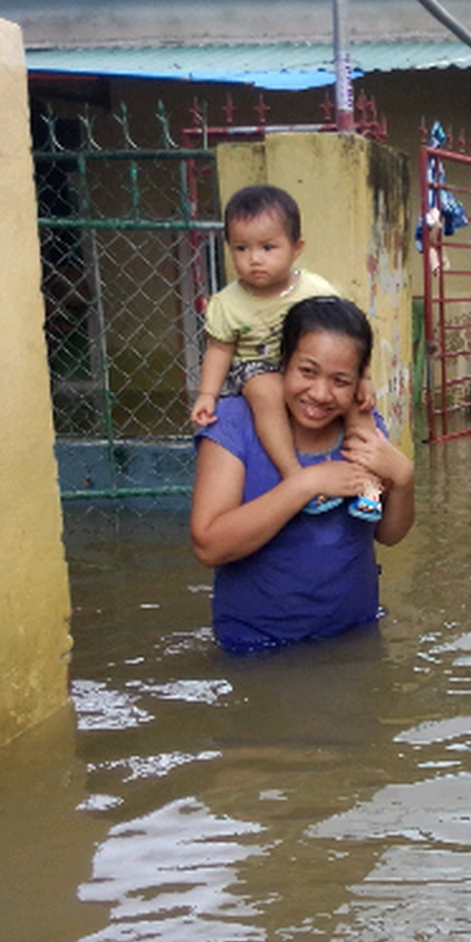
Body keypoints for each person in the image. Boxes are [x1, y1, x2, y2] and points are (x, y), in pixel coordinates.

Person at [190, 295, 415, 654]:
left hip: (355, 637)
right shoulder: (234, 422)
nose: (320, 394)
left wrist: (403, 479)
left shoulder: (363, 430)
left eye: (340, 380)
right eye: (307, 372)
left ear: (360, 381)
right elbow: (208, 546)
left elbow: (388, 535)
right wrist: (306, 483)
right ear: (283, 362)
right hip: (255, 647)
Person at [190, 184, 374, 516]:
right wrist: (206, 394)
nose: (254, 259)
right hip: (255, 367)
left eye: (267, 247)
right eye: (241, 248)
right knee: (268, 392)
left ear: (296, 248)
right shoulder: (227, 304)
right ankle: (295, 477)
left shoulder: (314, 289)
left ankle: (370, 486)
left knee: (357, 405)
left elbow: (348, 335)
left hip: (309, 366)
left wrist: (363, 378)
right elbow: (219, 350)